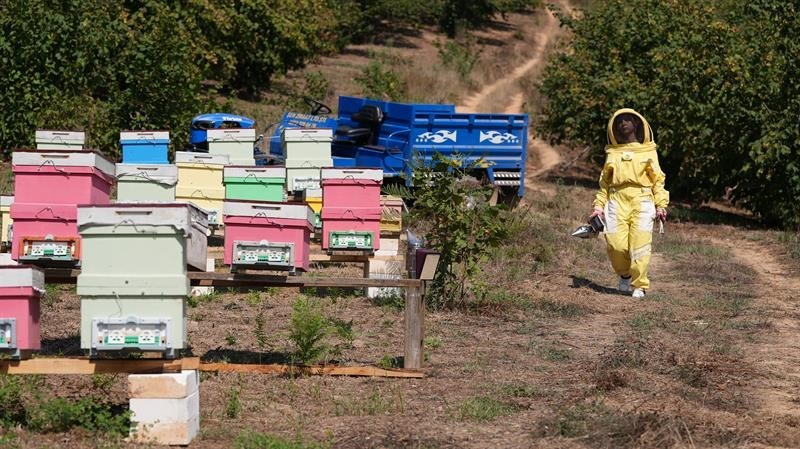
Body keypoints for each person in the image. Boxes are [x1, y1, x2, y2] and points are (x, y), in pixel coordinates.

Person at [589, 108, 668, 298]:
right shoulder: (612, 153)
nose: (623, 123)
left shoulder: (648, 151)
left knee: (640, 245)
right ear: (614, 128)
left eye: (627, 120)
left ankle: (640, 285)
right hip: (616, 200)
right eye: (619, 121)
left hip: (642, 199)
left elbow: (658, 181)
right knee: (615, 244)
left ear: (637, 123)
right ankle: (624, 275)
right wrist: (598, 207)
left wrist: (661, 205)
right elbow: (604, 184)